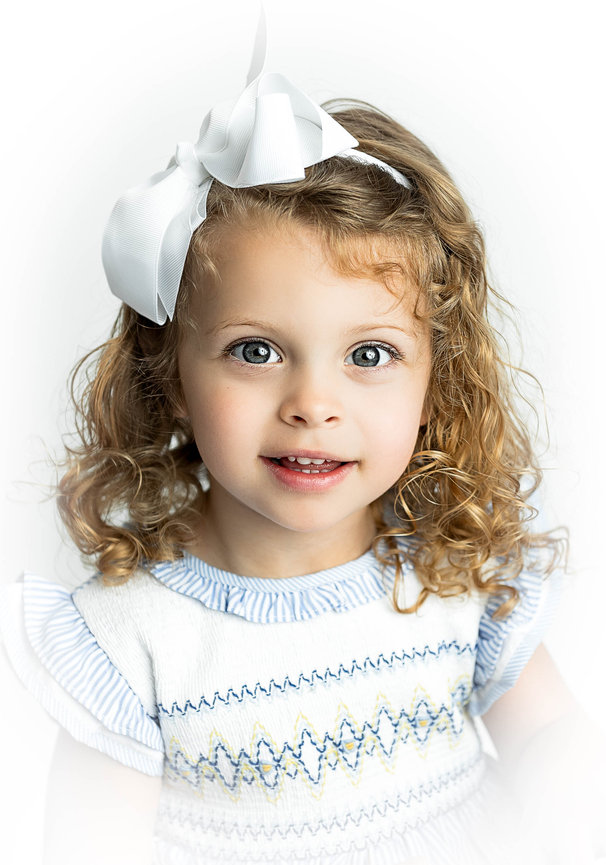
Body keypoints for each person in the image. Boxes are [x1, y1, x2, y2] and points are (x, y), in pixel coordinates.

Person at [0, 11, 603, 865]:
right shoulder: (129, 642)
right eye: (257, 350)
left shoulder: (454, 572)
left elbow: (556, 748)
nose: (313, 403)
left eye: (370, 354)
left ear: (438, 381)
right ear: (169, 372)